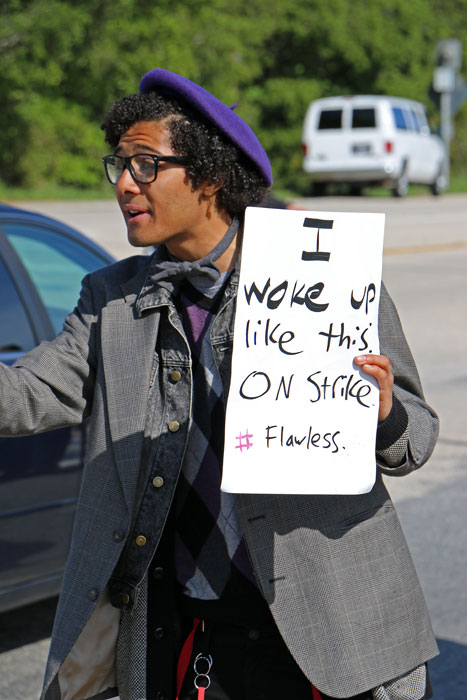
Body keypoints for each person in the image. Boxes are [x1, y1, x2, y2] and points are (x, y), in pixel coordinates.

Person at [0, 69, 439, 700]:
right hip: (192, 630)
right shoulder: (112, 299)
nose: (125, 184)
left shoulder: (324, 275)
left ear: (208, 177)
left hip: (335, 638)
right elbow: (26, 393)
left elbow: (417, 436)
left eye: (146, 165)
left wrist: (383, 413)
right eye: (119, 165)